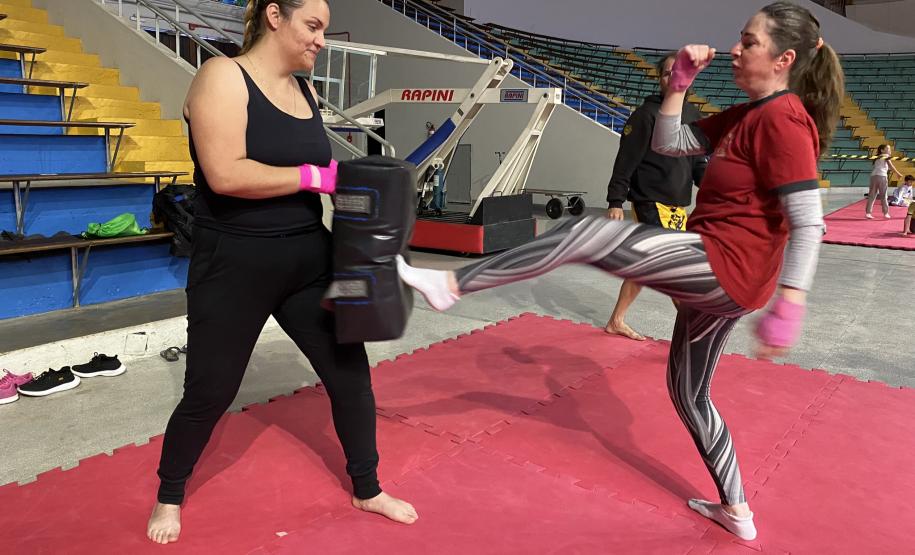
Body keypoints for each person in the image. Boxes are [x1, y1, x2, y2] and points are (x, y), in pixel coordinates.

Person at [395, 1, 841, 541]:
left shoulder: (783, 119)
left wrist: (791, 304)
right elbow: (670, 144)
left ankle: (450, 284)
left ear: (783, 58)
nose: (734, 49)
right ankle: (737, 509)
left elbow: (808, 220)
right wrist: (677, 84)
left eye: (748, 42)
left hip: (727, 267)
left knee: (590, 234)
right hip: (721, 271)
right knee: (688, 393)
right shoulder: (747, 113)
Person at [146, 0, 417, 545]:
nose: (322, 40)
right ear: (275, 15)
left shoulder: (306, 90)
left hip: (307, 258)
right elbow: (224, 174)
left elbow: (328, 182)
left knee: (351, 376)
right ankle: (169, 494)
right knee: (210, 392)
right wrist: (317, 176)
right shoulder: (222, 76)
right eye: (312, 27)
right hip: (234, 263)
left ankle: (367, 486)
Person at [604, 52, 707, 341]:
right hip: (649, 201)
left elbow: (698, 163)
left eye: (679, 72)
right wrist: (615, 201)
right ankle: (692, 330)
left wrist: (715, 192)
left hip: (677, 206)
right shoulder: (645, 115)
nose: (673, 78)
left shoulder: (693, 117)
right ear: (660, 79)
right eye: (667, 73)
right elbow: (626, 161)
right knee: (670, 265)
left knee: (646, 264)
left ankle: (616, 320)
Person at [866, 144, 903, 219]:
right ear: (882, 150)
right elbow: (891, 166)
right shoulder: (885, 155)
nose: (889, 150)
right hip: (882, 176)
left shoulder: (877, 157)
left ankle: (868, 213)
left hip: (873, 176)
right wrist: (898, 174)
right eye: (887, 149)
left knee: (872, 195)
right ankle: (886, 213)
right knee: (883, 195)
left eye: (889, 149)